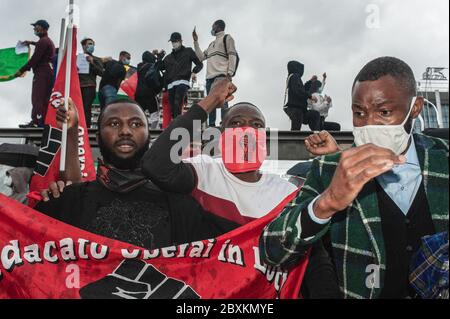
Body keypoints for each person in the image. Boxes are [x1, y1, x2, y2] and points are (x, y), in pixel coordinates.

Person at [260, 56, 449, 299]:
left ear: (415, 108)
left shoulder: (444, 159)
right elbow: (272, 251)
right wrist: (325, 204)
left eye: (384, 112)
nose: (369, 124)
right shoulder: (328, 169)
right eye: (359, 113)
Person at [141, 78, 342, 298]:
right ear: (220, 136)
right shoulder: (203, 172)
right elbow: (155, 165)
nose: (247, 130)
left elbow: (316, 266)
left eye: (256, 125)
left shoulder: (287, 194)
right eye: (236, 123)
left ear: (265, 137)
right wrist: (211, 100)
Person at [35, 97, 238, 250]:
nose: (125, 131)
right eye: (114, 124)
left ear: (149, 136)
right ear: (98, 136)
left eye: (136, 124)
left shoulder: (180, 206)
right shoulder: (66, 200)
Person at [193, 20, 238, 127]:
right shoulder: (211, 44)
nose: (212, 28)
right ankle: (212, 125)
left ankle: (224, 124)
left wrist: (230, 74)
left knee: (223, 102)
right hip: (209, 78)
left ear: (217, 26)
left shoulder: (227, 38)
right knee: (211, 103)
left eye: (213, 26)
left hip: (221, 76)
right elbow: (201, 57)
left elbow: (232, 55)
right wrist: (195, 41)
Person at [16, 19, 55, 128]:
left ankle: (36, 122)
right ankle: (42, 122)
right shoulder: (47, 41)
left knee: (38, 98)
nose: (34, 29)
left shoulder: (43, 42)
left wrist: (22, 69)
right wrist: (31, 43)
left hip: (42, 72)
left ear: (42, 28)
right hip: (48, 72)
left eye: (36, 27)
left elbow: (35, 59)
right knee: (45, 98)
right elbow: (41, 45)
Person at [158, 32, 203, 120]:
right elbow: (160, 67)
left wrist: (194, 72)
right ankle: (176, 125)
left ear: (180, 41)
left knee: (177, 102)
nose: (173, 43)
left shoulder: (188, 51)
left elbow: (199, 64)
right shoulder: (168, 58)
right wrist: (159, 57)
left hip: (183, 82)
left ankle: (177, 125)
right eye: (172, 42)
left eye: (175, 41)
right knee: (173, 109)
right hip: (171, 85)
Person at [283, 61, 320, 131]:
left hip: (300, 109)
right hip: (295, 109)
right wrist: (310, 96)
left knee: (314, 115)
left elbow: (301, 88)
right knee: (296, 129)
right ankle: (293, 141)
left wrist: (310, 81)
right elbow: (298, 90)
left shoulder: (292, 77)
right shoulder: (294, 76)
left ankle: (316, 134)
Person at [78, 38, 104, 128]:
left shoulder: (96, 59)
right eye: (89, 44)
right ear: (84, 46)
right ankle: (78, 126)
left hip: (89, 86)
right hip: (78, 87)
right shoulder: (77, 58)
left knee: (86, 108)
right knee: (77, 108)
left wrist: (92, 63)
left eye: (93, 44)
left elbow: (101, 72)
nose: (92, 46)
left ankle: (86, 127)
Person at [135, 51, 163, 129]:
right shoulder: (153, 67)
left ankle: (137, 130)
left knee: (138, 114)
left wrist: (153, 54)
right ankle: (153, 131)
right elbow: (158, 80)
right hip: (150, 94)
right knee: (155, 115)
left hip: (138, 94)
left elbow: (147, 57)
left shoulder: (139, 67)